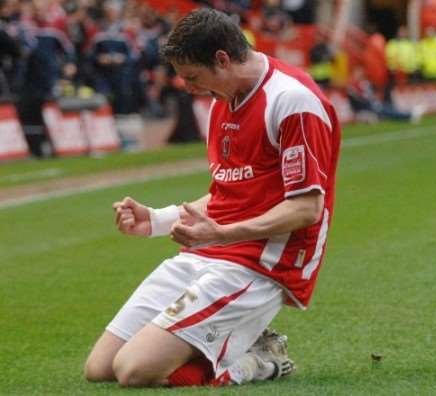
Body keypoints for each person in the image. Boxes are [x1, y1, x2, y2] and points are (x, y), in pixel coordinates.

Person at [84, 8, 341, 388]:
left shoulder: (291, 101)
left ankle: (254, 361)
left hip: (261, 263)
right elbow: (227, 192)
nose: (188, 87)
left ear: (222, 59)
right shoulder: (224, 96)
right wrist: (155, 220)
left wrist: (221, 234)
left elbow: (306, 208)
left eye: (192, 76)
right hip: (210, 252)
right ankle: (234, 339)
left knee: (134, 372)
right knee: (100, 368)